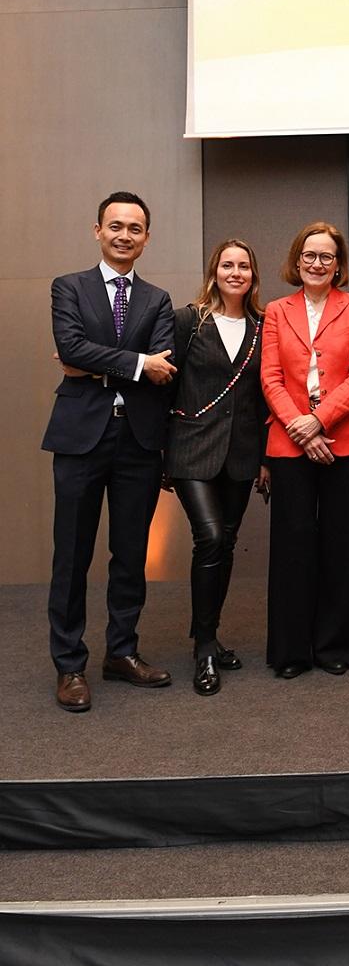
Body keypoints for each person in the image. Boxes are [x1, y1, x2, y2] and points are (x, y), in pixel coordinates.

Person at [42, 191, 177, 713]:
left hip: (138, 442)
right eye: (115, 226)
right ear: (97, 230)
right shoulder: (68, 287)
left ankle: (121, 652)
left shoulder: (158, 299)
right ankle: (69, 664)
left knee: (130, 555)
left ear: (146, 237)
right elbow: (71, 348)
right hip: (80, 438)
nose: (125, 235)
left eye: (136, 228)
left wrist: (103, 366)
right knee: (72, 555)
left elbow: (165, 369)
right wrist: (137, 364)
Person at [261, 220, 349, 678]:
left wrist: (320, 421)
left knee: (345, 547)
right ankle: (292, 651)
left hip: (345, 440)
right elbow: (269, 377)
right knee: (293, 548)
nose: (317, 263)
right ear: (297, 259)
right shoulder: (275, 310)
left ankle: (339, 645)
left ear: (339, 265)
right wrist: (301, 428)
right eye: (310, 255)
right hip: (289, 442)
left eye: (327, 256)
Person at [164, 239, 269, 696]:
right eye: (227, 264)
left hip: (243, 454)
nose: (235, 272)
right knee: (208, 536)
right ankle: (204, 646)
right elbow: (164, 384)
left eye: (243, 266)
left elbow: (267, 396)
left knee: (225, 542)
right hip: (190, 449)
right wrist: (160, 457)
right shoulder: (188, 321)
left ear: (253, 275)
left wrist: (266, 459)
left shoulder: (263, 327)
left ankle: (211, 633)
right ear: (214, 271)